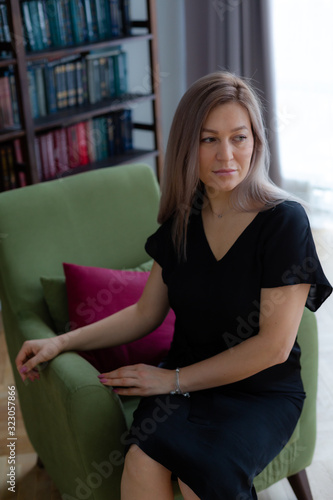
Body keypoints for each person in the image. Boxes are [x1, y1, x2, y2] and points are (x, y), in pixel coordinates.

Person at [16, 71, 332, 500]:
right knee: (141, 461)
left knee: (201, 475)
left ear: (256, 142)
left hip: (259, 391)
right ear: (188, 145)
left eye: (239, 137)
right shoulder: (181, 223)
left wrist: (173, 381)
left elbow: (273, 348)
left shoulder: (283, 223)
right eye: (209, 140)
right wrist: (61, 342)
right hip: (185, 386)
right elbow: (145, 313)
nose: (227, 155)